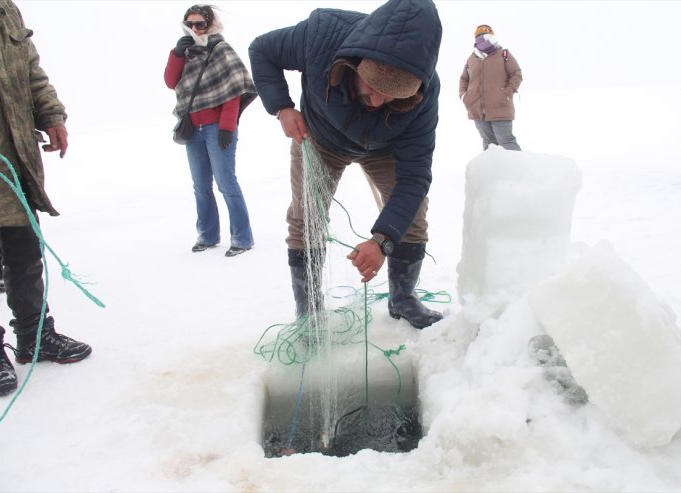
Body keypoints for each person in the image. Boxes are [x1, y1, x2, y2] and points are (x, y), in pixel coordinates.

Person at [248, 0, 444, 329]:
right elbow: (262, 50)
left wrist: (383, 240)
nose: (378, 102)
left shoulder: (425, 93)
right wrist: (282, 107)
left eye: (392, 95)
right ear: (356, 64)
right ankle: (309, 312)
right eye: (372, 87)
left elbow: (414, 177)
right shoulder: (321, 35)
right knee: (306, 217)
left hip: (384, 146)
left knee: (413, 214)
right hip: (320, 137)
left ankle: (403, 298)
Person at [0, 0, 92, 398]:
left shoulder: (6, 10)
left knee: (24, 252)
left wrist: (51, 115)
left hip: (15, 160)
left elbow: (31, 71)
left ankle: (35, 336)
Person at [164, 4, 258, 256]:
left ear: (210, 24)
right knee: (200, 184)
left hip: (218, 127)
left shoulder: (220, 48)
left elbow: (233, 90)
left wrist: (227, 127)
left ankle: (242, 237)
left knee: (226, 182)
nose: (195, 29)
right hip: (192, 128)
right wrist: (176, 54)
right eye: (190, 24)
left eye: (200, 24)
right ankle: (207, 234)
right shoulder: (185, 51)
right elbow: (170, 82)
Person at [459, 24, 523, 151]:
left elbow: (516, 74)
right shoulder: (472, 58)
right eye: (482, 36)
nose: (486, 39)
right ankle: (493, 170)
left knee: (506, 141)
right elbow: (464, 79)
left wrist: (506, 93)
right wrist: (464, 96)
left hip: (500, 107)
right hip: (477, 110)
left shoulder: (503, 54)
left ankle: (517, 169)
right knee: (489, 143)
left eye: (489, 35)